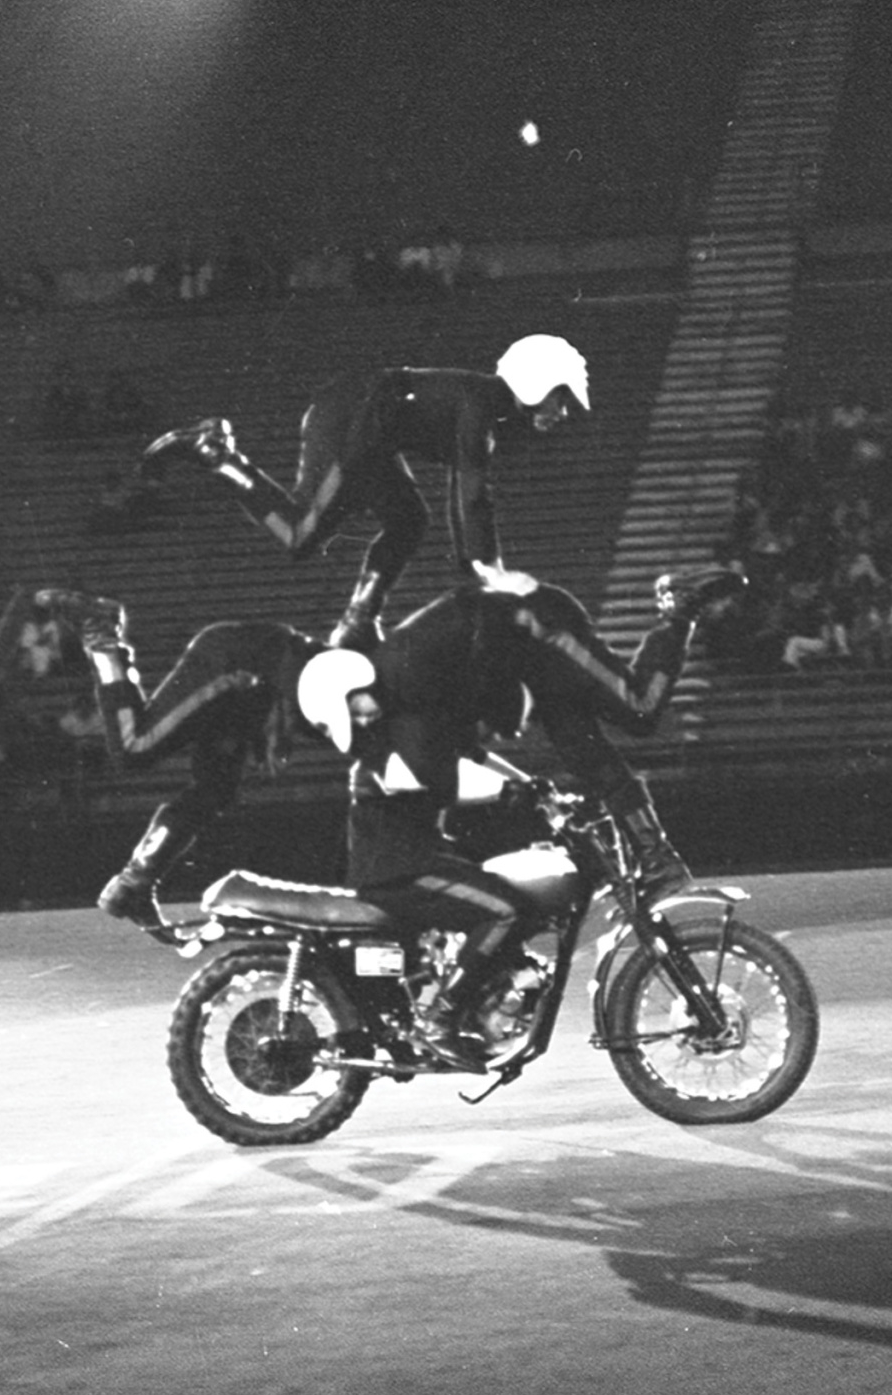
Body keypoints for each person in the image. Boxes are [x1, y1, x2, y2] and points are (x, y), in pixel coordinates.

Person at [138, 335, 590, 645]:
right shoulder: (482, 406)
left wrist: (479, 566)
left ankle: (359, 619)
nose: (563, 412)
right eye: (562, 397)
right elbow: (472, 488)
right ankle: (216, 454)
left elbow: (464, 486)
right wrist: (489, 569)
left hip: (368, 429)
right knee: (299, 536)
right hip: (349, 424)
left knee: (410, 520)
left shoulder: (488, 405)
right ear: (538, 381)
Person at [367, 563, 744, 899]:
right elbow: (472, 750)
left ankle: (681, 608)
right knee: (589, 760)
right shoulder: (406, 706)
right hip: (528, 662)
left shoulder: (403, 689)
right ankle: (658, 861)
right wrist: (525, 783)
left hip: (542, 632)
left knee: (639, 710)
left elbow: (470, 736)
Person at [294, 643, 546, 1069]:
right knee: (505, 912)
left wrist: (536, 787)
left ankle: (481, 1000)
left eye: (357, 705)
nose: (362, 716)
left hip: (420, 863)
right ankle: (440, 1021)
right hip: (399, 874)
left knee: (507, 898)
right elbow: (441, 778)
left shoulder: (402, 733)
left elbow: (469, 753)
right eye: (351, 715)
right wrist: (509, 791)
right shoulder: (375, 758)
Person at [37, 590, 321, 929]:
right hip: (241, 661)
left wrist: (271, 718)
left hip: (254, 683)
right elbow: (302, 666)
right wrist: (278, 717)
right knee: (134, 747)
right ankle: (103, 641)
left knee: (217, 789)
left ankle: (134, 885)